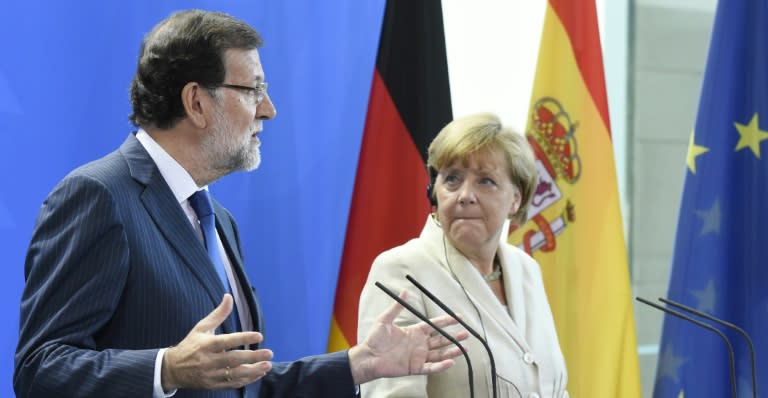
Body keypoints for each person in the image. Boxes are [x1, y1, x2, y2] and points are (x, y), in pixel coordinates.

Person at [13, 10, 469, 398]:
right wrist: (165, 368)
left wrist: (359, 364)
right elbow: (40, 366)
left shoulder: (218, 221)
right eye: (253, 90)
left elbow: (243, 386)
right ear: (196, 102)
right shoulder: (99, 195)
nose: (269, 108)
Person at [357, 113, 569, 397]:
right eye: (452, 179)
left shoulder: (526, 268)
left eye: (485, 181)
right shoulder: (400, 270)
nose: (465, 195)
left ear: (515, 199)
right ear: (435, 192)